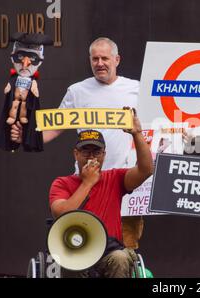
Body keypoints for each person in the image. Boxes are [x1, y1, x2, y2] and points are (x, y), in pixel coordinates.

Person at [11, 37, 143, 250]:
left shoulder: (136, 89)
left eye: (105, 58)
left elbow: (159, 126)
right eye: (95, 59)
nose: (100, 63)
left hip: (123, 182)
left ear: (117, 59)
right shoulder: (77, 91)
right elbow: (55, 126)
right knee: (82, 247)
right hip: (85, 182)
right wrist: (24, 138)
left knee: (125, 246)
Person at [49, 118, 153, 277]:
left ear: (104, 154)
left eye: (96, 152)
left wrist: (137, 134)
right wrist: (87, 183)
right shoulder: (62, 183)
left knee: (121, 257)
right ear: (76, 154)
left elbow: (146, 170)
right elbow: (61, 214)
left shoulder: (115, 178)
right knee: (67, 264)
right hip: (74, 250)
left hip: (109, 252)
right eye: (86, 152)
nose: (92, 158)